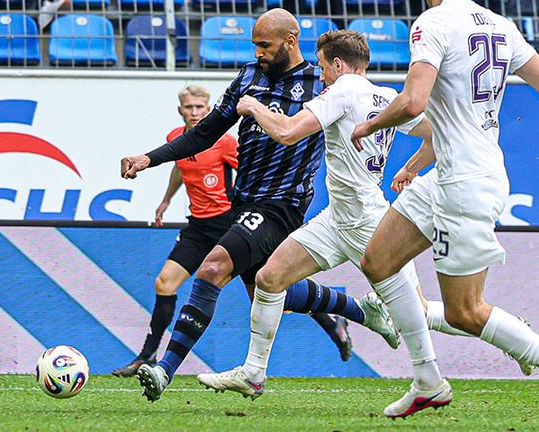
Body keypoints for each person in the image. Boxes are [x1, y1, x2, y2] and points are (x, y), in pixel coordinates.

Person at [119, 8, 400, 403]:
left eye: (264, 45)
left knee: (213, 268)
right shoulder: (248, 77)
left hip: (282, 205)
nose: (258, 53)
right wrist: (150, 158)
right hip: (245, 202)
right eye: (254, 45)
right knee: (270, 289)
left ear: (290, 41)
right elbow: (207, 133)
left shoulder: (324, 84)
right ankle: (359, 311)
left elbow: (347, 113)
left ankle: (163, 370)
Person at [350, 0, 539, 427]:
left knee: (464, 311)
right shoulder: (500, 24)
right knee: (378, 260)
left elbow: (413, 103)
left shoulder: (432, 22)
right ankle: (427, 379)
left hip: (463, 185)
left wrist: (368, 125)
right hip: (452, 172)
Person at [195, 30, 454, 415]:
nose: (319, 76)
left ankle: (499, 330)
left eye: (321, 66)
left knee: (428, 312)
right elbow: (436, 134)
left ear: (337, 64)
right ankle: (253, 373)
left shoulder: (343, 90)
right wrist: (409, 169)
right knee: (269, 278)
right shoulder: (384, 96)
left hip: (368, 223)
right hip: (337, 219)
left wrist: (252, 107)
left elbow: (286, 133)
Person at [111, 85, 239, 377]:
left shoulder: (224, 142)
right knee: (164, 283)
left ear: (209, 110)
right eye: (189, 107)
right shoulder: (176, 138)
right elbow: (181, 167)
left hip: (226, 225)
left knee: (268, 282)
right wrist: (166, 200)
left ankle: (330, 321)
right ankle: (147, 357)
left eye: (200, 107)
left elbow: (247, 171)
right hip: (197, 226)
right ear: (181, 110)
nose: (194, 112)